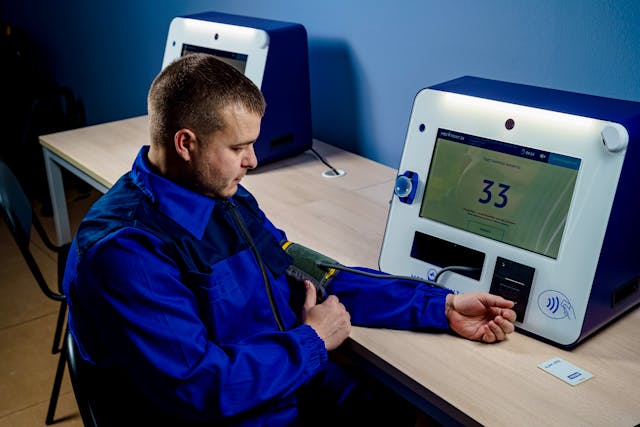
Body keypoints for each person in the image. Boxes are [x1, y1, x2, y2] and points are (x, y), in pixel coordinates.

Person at [62, 53, 516, 426]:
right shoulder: (126, 251)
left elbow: (306, 273)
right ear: (186, 144)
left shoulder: (224, 199)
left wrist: (439, 306)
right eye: (239, 148)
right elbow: (201, 387)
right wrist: (313, 339)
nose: (253, 161)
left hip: (277, 388)